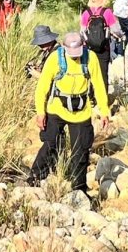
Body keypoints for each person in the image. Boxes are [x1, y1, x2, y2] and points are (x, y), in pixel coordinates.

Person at [30, 32, 110, 191]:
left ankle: (78, 188)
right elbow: (43, 87)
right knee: (50, 143)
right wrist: (41, 112)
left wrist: (104, 111)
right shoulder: (55, 59)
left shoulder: (90, 58)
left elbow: (99, 85)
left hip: (81, 111)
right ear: (64, 48)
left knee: (80, 151)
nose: (75, 57)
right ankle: (35, 177)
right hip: (57, 108)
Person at [80, 0, 122, 89]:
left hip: (89, 48)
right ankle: (103, 99)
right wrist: (121, 36)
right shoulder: (107, 12)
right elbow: (116, 30)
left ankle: (90, 97)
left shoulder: (86, 13)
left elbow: (82, 32)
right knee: (103, 73)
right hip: (104, 48)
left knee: (89, 72)